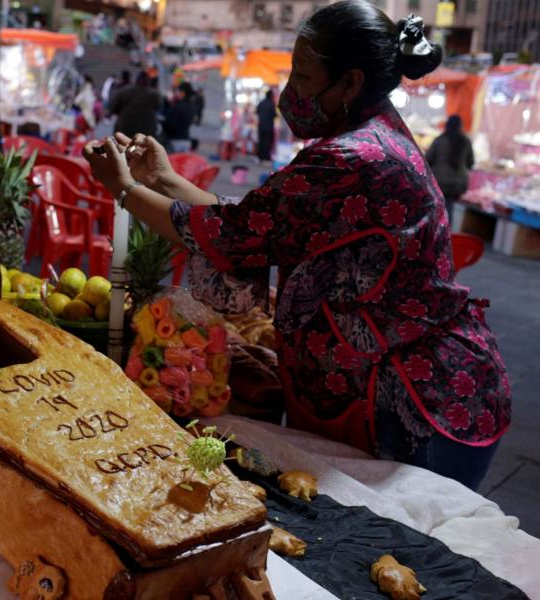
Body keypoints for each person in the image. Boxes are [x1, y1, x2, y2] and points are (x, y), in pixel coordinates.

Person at [84, 1, 509, 490]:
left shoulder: (355, 158)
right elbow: (253, 226)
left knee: (403, 550)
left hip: (418, 403)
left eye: (303, 77)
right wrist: (160, 177)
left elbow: (232, 235)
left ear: (350, 83)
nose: (290, 92)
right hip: (391, 391)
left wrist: (123, 189)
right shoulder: (362, 137)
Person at [426, 115, 474, 222]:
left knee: (436, 209)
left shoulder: (439, 140)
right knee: (449, 208)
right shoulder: (466, 141)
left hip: (440, 182)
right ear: (460, 126)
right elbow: (471, 163)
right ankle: (447, 233)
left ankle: (437, 232)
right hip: (458, 184)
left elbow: (427, 160)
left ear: (447, 125)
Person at [108, 71, 162, 138]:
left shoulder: (124, 91)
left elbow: (112, 108)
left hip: (125, 130)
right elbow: (158, 107)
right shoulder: (154, 94)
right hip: (147, 133)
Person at [162, 82, 196, 152]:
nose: (176, 93)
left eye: (178, 91)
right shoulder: (191, 107)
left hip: (175, 141)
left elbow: (171, 126)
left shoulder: (178, 107)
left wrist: (163, 122)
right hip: (186, 140)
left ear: (183, 92)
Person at [256, 89, 276, 162]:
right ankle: (265, 157)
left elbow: (257, 111)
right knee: (267, 142)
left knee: (261, 141)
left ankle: (259, 156)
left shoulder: (261, 103)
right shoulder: (271, 104)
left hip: (261, 125)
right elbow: (274, 114)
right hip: (268, 127)